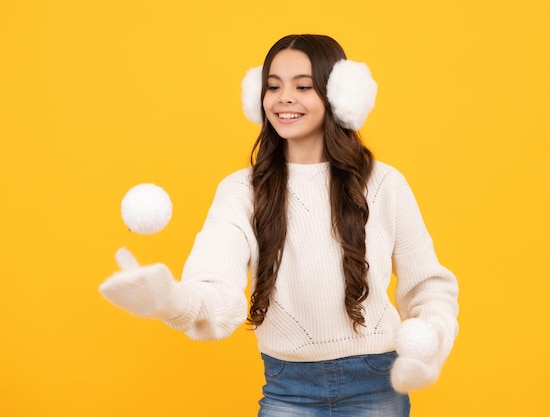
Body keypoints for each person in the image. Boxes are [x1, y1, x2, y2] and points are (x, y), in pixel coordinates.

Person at [100, 34, 459, 417]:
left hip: (375, 384)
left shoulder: (384, 184)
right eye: (273, 86)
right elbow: (216, 288)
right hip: (289, 390)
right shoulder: (241, 191)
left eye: (303, 86)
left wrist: (429, 344)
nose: (284, 97)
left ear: (339, 94)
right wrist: (172, 302)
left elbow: (429, 288)